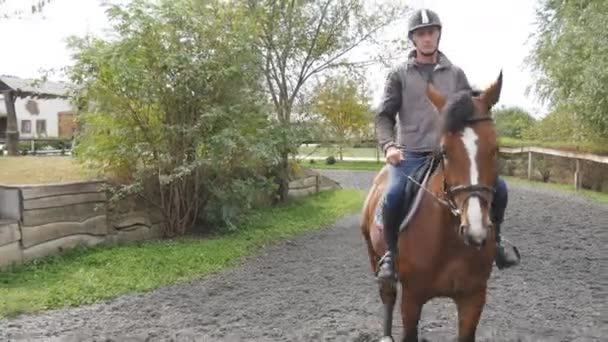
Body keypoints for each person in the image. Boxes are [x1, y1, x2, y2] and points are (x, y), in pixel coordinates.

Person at [374, 8, 520, 283]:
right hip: (412, 154)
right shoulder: (399, 75)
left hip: (449, 155)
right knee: (393, 195)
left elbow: (470, 107)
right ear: (413, 39)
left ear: (438, 35)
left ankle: (496, 242)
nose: (427, 38)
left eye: (431, 32)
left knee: (498, 188)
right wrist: (389, 146)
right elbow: (384, 116)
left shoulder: (455, 74)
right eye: (421, 34)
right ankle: (391, 256)